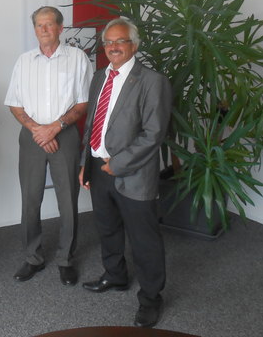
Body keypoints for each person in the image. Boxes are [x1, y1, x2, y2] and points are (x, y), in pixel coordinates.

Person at [79, 17, 172, 328]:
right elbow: (91, 124)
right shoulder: (98, 78)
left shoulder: (151, 81)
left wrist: (116, 164)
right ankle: (116, 276)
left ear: (134, 45)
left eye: (120, 42)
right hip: (98, 167)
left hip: (132, 173)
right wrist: (86, 162)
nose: (113, 47)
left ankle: (150, 298)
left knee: (144, 238)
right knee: (107, 229)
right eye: (109, 42)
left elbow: (154, 133)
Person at [5, 6, 91, 286]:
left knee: (68, 201)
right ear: (35, 30)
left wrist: (54, 128)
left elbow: (82, 103)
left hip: (65, 136)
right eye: (39, 25)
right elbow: (15, 104)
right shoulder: (24, 61)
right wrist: (38, 130)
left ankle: (66, 259)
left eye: (49, 24)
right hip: (31, 137)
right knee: (30, 200)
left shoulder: (77, 58)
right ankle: (33, 257)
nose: (43, 30)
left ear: (60, 28)